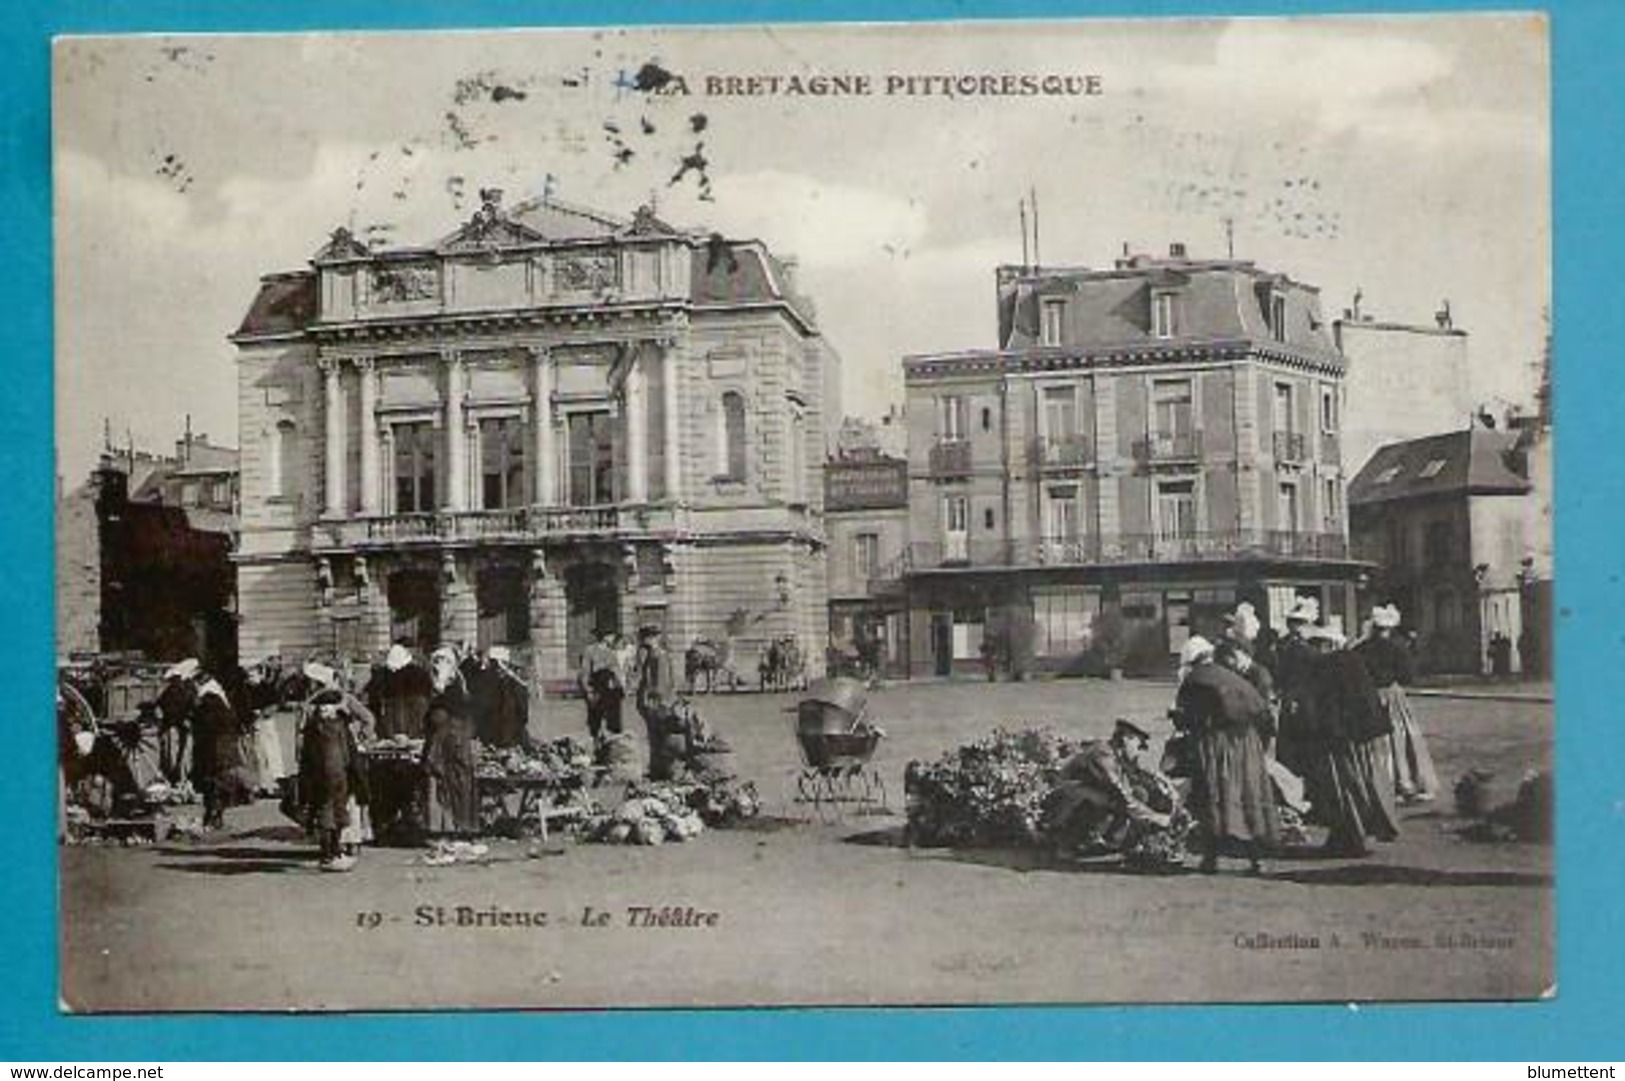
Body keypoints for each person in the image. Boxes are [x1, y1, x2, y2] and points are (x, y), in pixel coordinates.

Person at [1172, 636, 1279, 874]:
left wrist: (1179, 719)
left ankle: (1210, 859)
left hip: (1217, 744)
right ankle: (1256, 859)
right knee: (1246, 795)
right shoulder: (1230, 675)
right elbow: (1260, 711)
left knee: (1212, 794)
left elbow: (1190, 717)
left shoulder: (1196, 679)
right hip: (1246, 743)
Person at [1305, 628, 1401, 857]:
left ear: (1328, 645)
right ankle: (1351, 833)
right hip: (1363, 735)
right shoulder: (1353, 662)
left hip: (1342, 738)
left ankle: (1349, 836)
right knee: (1362, 783)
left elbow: (1329, 705)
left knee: (1344, 787)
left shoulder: (1329, 666)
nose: (1313, 648)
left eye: (1317, 644)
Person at [1044, 719, 1177, 859]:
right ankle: (1065, 842)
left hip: (1072, 800)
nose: (1139, 752)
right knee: (1104, 797)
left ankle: (1110, 841)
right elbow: (1123, 796)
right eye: (1139, 746)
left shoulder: (1115, 754)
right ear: (1127, 738)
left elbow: (1138, 774)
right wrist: (1157, 817)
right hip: (1059, 806)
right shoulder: (1102, 754)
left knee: (1138, 792)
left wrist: (1164, 784)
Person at [1356, 604, 1439, 804]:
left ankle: (1382, 783)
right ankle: (1406, 782)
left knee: (1376, 742)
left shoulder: (1361, 649)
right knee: (1401, 738)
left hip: (1370, 696)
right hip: (1392, 695)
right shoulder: (1397, 648)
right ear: (1389, 628)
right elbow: (1407, 676)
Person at [158, 658, 251, 831]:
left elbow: (213, 721)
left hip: (217, 744)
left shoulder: (210, 697)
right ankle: (213, 816)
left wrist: (192, 717)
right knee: (212, 779)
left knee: (215, 779)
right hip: (214, 743)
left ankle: (214, 817)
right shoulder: (209, 693)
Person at [297, 662, 373, 871]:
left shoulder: (340, 718)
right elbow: (309, 754)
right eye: (322, 707)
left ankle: (337, 850)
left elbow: (366, 722)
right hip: (328, 775)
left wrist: (361, 740)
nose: (324, 710)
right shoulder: (320, 725)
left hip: (339, 774)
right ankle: (331, 853)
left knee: (338, 813)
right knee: (329, 813)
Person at [420, 646, 478, 837]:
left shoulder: (455, 689)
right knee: (440, 788)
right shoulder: (437, 687)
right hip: (439, 745)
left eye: (442, 662)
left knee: (457, 786)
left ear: (450, 665)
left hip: (454, 745)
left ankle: (461, 828)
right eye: (436, 662)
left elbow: (457, 716)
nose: (437, 666)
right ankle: (443, 828)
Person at [635, 625, 687, 780]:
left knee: (660, 738)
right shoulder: (653, 655)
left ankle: (663, 770)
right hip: (654, 703)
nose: (644, 641)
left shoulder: (659, 656)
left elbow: (661, 684)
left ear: (654, 638)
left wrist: (657, 702)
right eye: (644, 638)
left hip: (658, 704)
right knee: (655, 738)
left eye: (647, 638)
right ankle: (657, 769)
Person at [578, 626, 626, 754]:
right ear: (605, 637)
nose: (613, 638)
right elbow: (584, 672)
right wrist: (587, 691)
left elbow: (617, 672)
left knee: (613, 723)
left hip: (611, 692)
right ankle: (596, 749)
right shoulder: (589, 651)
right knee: (595, 723)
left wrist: (620, 687)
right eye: (611, 635)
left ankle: (612, 751)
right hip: (597, 690)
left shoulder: (611, 652)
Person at [369, 643, 432, 740]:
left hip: (395, 717)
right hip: (409, 718)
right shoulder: (420, 674)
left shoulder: (384, 676)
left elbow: (374, 701)